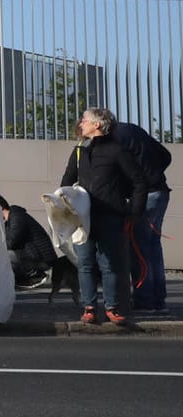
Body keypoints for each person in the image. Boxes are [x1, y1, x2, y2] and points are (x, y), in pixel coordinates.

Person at [60, 106, 146, 325]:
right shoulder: (79, 150)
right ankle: (89, 308)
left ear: (97, 124)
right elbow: (66, 181)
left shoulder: (118, 151)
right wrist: (65, 204)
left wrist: (135, 211)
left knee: (109, 264)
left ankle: (112, 307)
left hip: (111, 215)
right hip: (83, 218)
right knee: (85, 263)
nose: (81, 124)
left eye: (84, 120)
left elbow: (138, 182)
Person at [112, 119, 171, 316]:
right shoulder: (133, 131)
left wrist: (139, 181)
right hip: (160, 191)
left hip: (143, 195)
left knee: (139, 249)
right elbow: (165, 155)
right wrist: (152, 173)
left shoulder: (114, 138)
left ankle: (145, 301)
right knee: (153, 248)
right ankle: (158, 300)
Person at [1, 196, 58, 288]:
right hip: (32, 255)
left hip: (41, 258)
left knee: (3, 256)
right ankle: (23, 278)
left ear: (0, 207)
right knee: (1, 254)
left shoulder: (16, 215)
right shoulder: (10, 221)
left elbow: (13, 241)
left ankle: (34, 275)